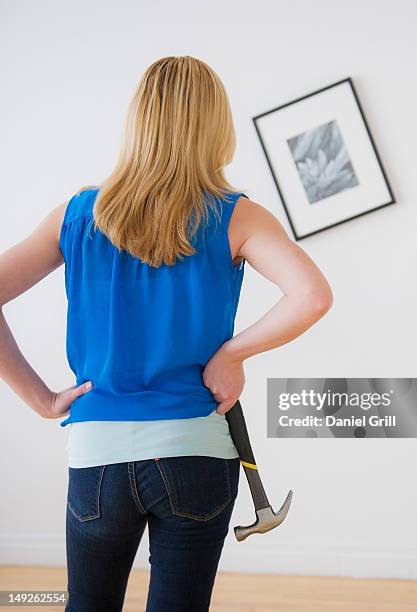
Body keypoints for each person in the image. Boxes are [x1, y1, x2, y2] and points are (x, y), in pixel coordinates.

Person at [0, 56, 333, 611]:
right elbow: (313, 295)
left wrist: (40, 398)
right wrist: (233, 353)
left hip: (97, 456)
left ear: (139, 123)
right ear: (215, 126)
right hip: (196, 451)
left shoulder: (77, 215)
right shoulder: (236, 216)